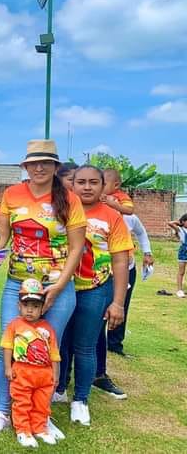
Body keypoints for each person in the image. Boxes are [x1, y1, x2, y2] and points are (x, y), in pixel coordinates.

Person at [0, 139, 85, 440]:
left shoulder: (69, 199)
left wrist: (59, 286)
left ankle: (42, 416)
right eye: (33, 163)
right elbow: (3, 238)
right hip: (18, 283)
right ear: (25, 167)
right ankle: (3, 411)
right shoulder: (12, 194)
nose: (39, 168)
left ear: (55, 166)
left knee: (47, 351)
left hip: (57, 285)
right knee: (9, 346)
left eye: (46, 162)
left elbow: (77, 248)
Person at [55, 165, 130, 426]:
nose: (87, 187)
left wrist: (118, 303)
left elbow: (120, 261)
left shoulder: (112, 217)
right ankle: (59, 389)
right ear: (72, 184)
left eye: (94, 182)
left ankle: (81, 399)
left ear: (103, 186)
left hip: (94, 289)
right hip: (60, 287)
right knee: (59, 343)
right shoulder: (60, 210)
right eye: (81, 182)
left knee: (84, 346)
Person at [91, 213, 153, 399]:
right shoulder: (74, 208)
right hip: (83, 273)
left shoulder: (124, 217)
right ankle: (62, 380)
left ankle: (100, 372)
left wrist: (147, 252)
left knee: (102, 321)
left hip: (116, 271)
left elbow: (139, 234)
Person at [2, 278, 61, 448]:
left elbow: (54, 353)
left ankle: (40, 428)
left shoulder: (48, 328)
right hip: (22, 372)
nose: (30, 310)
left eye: (35, 306)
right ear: (19, 306)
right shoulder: (14, 325)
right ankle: (23, 430)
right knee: (22, 402)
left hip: (44, 374)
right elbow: (7, 347)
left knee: (42, 403)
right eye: (26, 305)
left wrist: (55, 374)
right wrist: (8, 367)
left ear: (42, 308)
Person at [167, 214, 187, 298]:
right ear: (183, 221)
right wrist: (179, 222)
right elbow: (170, 223)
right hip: (183, 252)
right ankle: (179, 290)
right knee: (181, 272)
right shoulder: (180, 229)